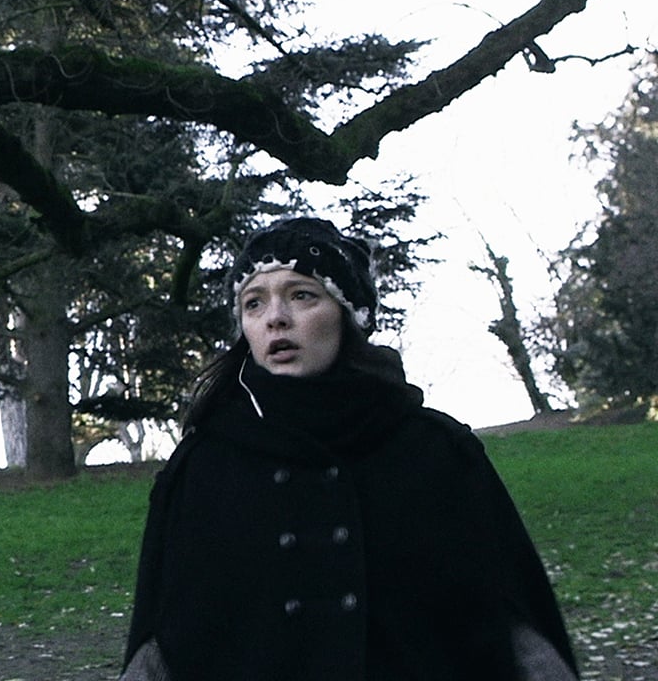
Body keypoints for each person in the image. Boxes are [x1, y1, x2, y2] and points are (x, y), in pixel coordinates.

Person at [120, 217, 578, 681]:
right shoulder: (202, 468)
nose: (275, 317)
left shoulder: (437, 453)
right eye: (253, 303)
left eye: (302, 295)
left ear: (347, 313)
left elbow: (515, 625)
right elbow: (161, 644)